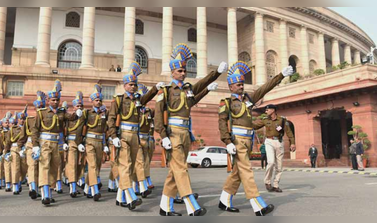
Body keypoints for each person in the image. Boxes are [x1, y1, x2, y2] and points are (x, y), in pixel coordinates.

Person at [155, 43, 226, 216]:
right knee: (181, 169)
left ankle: (165, 207)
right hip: (173, 134)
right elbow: (158, 115)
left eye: (184, 70)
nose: (183, 73)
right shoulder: (164, 91)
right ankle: (191, 205)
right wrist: (163, 135)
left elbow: (195, 95)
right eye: (179, 71)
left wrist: (215, 75)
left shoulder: (187, 89)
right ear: (172, 72)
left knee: (175, 171)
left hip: (185, 133)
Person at [218, 62, 293, 216]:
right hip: (237, 140)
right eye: (238, 84)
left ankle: (224, 200)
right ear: (230, 86)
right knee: (246, 170)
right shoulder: (226, 103)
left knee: (238, 172)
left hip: (248, 140)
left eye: (242, 84)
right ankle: (258, 205)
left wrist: (281, 76)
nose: (241, 86)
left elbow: (265, 88)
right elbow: (222, 123)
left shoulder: (248, 100)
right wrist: (227, 142)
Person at [108, 61, 163, 210]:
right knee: (125, 165)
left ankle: (120, 197)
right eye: (130, 84)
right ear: (125, 85)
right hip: (124, 135)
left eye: (134, 84)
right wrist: (114, 137)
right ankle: (131, 197)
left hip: (135, 136)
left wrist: (155, 89)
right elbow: (111, 119)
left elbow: (146, 99)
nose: (133, 87)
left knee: (131, 166)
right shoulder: (118, 100)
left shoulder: (139, 100)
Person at [31, 80, 82, 205]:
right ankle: (45, 195)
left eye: (56, 100)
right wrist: (35, 145)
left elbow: (70, 118)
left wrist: (77, 114)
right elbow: (35, 129)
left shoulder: (61, 112)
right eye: (52, 100)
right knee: (45, 166)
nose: (55, 102)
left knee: (55, 168)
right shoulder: (41, 112)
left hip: (56, 143)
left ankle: (49, 188)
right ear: (48, 100)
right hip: (44, 143)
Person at [255, 104, 296, 193]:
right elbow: (255, 126)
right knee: (270, 162)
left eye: (267, 110)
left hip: (279, 142)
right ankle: (267, 182)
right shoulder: (265, 120)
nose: (266, 112)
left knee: (279, 166)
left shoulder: (282, 120)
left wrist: (292, 143)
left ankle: (276, 185)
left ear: (273, 110)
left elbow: (289, 132)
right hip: (269, 142)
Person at [18, 92, 46, 199]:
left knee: (41, 167)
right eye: (38, 107)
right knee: (32, 165)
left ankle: (40, 187)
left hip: (43, 144)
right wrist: (20, 147)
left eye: (42, 107)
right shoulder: (29, 120)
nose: (39, 109)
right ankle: (33, 189)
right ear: (35, 108)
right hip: (30, 145)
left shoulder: (47, 118)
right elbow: (23, 135)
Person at [64, 91, 87, 198]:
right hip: (71, 143)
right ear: (73, 107)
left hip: (81, 143)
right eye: (77, 106)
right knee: (72, 164)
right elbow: (63, 130)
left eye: (81, 106)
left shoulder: (85, 117)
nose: (79, 107)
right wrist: (64, 142)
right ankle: (73, 188)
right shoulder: (69, 117)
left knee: (80, 166)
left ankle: (77, 182)